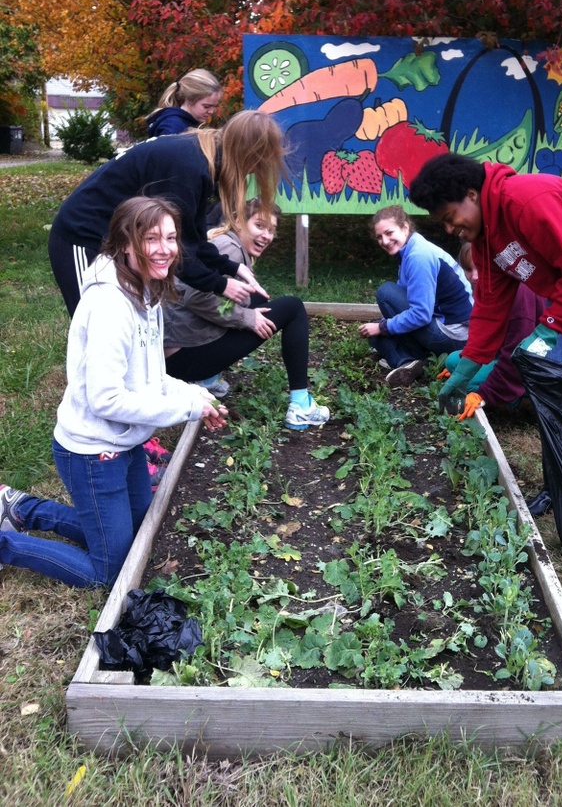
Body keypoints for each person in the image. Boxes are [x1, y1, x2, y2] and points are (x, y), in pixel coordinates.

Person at [0, 197, 227, 588]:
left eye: (171, 238)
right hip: (92, 452)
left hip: (125, 445)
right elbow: (106, 400)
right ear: (125, 242)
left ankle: (21, 507)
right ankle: (6, 544)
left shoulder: (147, 291)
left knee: (138, 531)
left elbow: (151, 376)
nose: (165, 249)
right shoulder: (110, 305)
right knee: (109, 570)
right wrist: (184, 406)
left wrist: (195, 397)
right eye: (151, 238)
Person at [408, 153, 562, 413]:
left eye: (450, 217)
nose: (449, 229)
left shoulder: (526, 200)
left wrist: (545, 332)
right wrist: (467, 369)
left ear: (471, 195)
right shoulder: (486, 241)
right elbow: (490, 309)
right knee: (553, 386)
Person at [48, 110, 285, 318]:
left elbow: (193, 237)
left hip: (121, 239)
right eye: (255, 166)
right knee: (96, 323)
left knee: (129, 322)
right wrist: (221, 285)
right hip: (82, 234)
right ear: (247, 154)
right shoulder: (188, 169)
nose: (252, 173)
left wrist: (231, 267)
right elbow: (176, 250)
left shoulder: (205, 157)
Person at [163, 198, 330, 431]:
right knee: (293, 308)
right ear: (239, 222)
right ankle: (301, 406)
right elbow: (197, 298)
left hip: (179, 352)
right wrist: (247, 319)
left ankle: (208, 379)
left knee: (258, 299)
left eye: (271, 230)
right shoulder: (229, 248)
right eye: (259, 226)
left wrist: (246, 312)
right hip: (182, 360)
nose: (266, 236)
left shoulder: (225, 244)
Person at [358, 205, 473, 388]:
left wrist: (383, 326)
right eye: (380, 237)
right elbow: (406, 297)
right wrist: (381, 326)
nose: (385, 240)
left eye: (389, 233)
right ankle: (409, 363)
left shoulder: (419, 255)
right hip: (441, 324)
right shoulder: (409, 250)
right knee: (374, 333)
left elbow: (420, 314)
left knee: (386, 294)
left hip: (456, 335)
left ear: (405, 227)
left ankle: (412, 358)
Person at [440, 242, 544, 410]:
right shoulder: (486, 286)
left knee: (467, 377)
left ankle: (523, 400)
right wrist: (461, 370)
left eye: (479, 268)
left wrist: (483, 393)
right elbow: (483, 337)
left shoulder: (519, 294)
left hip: (527, 366)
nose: (474, 276)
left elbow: (518, 354)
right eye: (468, 269)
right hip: (501, 355)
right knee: (453, 360)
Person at [146, 69, 222, 137]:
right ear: (189, 99)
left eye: (215, 106)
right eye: (206, 106)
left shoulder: (185, 123)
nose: (211, 111)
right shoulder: (174, 127)